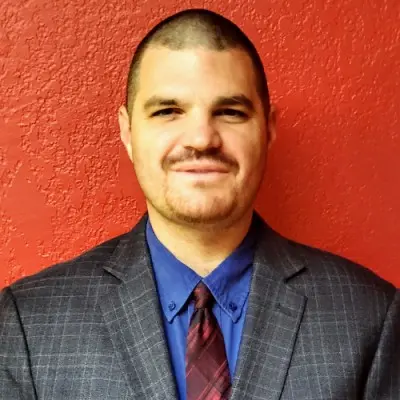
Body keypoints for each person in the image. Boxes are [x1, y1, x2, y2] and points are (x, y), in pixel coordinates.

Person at [0, 8, 399, 400]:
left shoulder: (370, 316)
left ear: (268, 128)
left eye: (230, 112)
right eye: (168, 111)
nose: (202, 138)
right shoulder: (29, 324)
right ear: (128, 131)